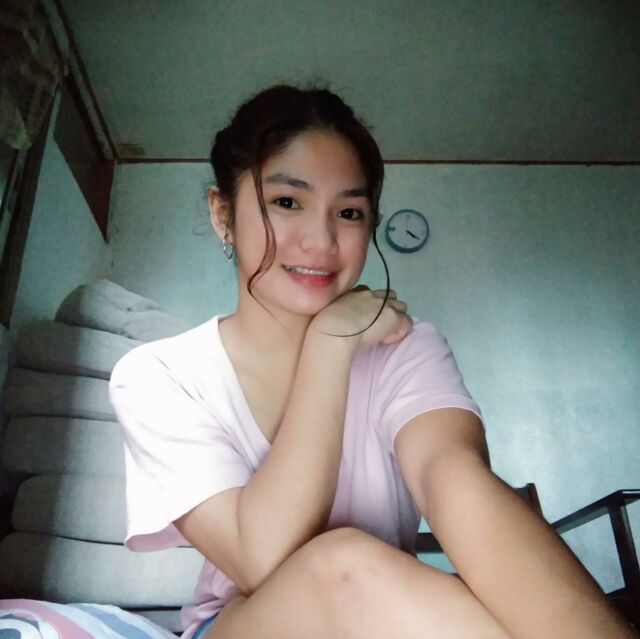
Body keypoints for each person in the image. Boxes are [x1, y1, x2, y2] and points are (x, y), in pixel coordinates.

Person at [108, 84, 638, 639]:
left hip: (380, 624)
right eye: (287, 202)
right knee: (344, 567)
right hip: (245, 624)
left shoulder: (405, 347)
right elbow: (260, 557)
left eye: (349, 212)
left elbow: (453, 478)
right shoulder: (159, 376)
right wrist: (329, 346)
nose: (321, 240)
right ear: (223, 213)